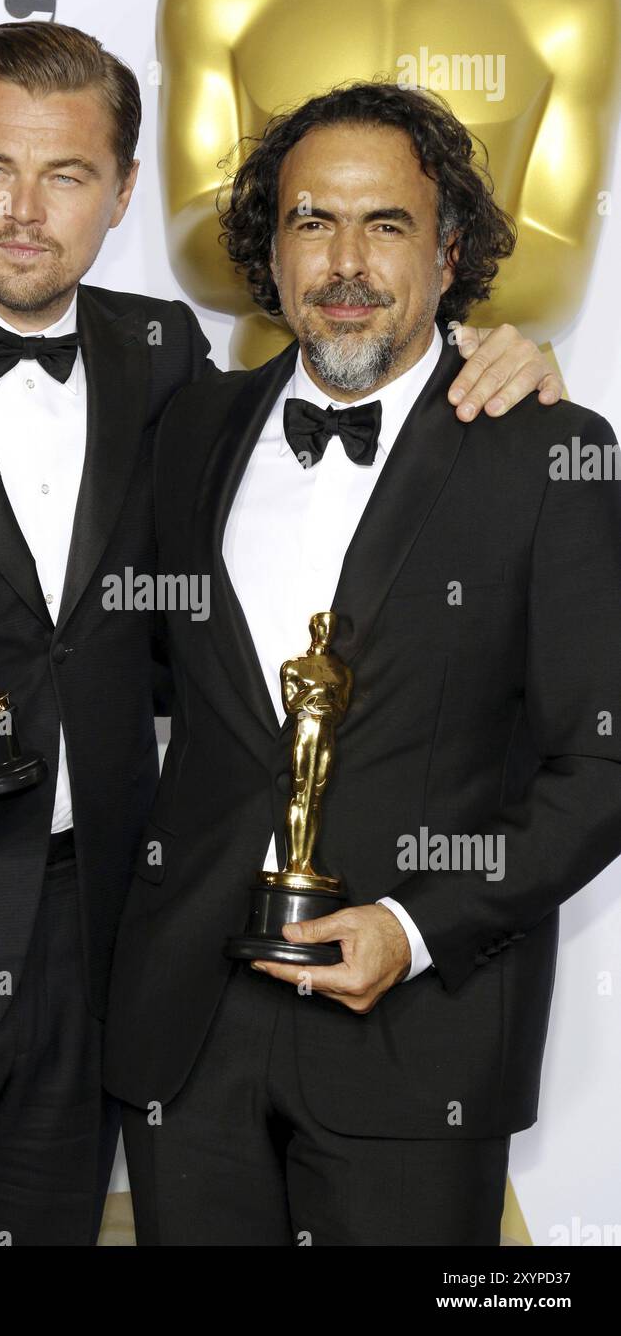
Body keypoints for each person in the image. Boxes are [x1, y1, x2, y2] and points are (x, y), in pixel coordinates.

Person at [0, 22, 558, 1246]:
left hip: (107, 960)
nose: (26, 212)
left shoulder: (161, 357)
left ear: (124, 192)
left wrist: (503, 356)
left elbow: (295, 509)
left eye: (69, 176)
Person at [104, 80, 621, 1246]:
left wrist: (417, 922)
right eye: (311, 222)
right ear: (270, 252)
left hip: (419, 1035)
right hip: (189, 1037)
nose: (347, 261)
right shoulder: (193, 429)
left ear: (449, 256)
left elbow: (600, 766)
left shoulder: (550, 450)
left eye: (385, 225)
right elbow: (133, 670)